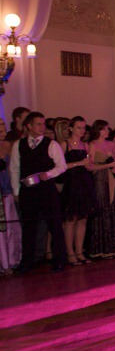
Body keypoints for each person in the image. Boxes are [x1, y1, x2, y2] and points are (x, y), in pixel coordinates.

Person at [9, 111, 68, 272]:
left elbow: (61, 166)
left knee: (54, 226)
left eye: (43, 124)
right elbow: (14, 169)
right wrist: (16, 191)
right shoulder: (19, 145)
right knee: (28, 227)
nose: (42, 127)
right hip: (28, 191)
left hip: (47, 190)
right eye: (38, 124)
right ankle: (27, 261)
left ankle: (59, 259)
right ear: (29, 126)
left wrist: (48, 174)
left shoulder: (51, 144)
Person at [87, 120, 115, 259]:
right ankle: (101, 249)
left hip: (111, 178)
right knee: (102, 209)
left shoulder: (110, 144)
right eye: (104, 129)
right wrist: (108, 166)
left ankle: (114, 247)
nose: (107, 131)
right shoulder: (92, 145)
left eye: (107, 128)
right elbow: (90, 167)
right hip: (99, 179)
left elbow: (114, 162)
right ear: (98, 130)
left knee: (114, 208)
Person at [59, 116, 96, 265]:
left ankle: (79, 252)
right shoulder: (64, 144)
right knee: (70, 220)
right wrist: (79, 163)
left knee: (82, 219)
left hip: (84, 183)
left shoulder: (85, 145)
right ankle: (70, 252)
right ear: (71, 128)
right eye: (79, 127)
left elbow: (90, 167)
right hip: (71, 184)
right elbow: (60, 166)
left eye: (84, 127)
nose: (82, 130)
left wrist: (90, 165)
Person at [0, 119, 22, 273]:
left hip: (6, 190)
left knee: (10, 227)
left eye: (3, 128)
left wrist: (15, 189)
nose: (3, 133)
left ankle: (10, 260)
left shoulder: (7, 145)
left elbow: (12, 168)